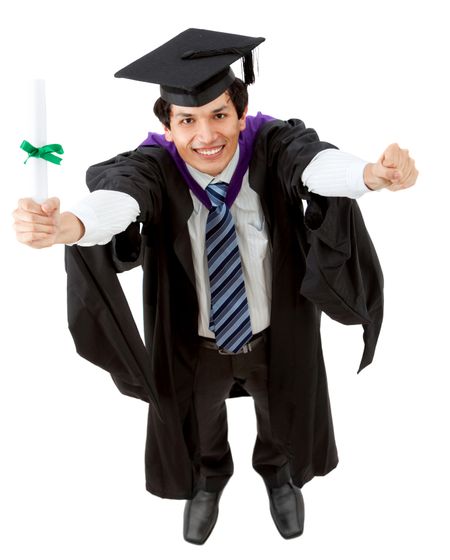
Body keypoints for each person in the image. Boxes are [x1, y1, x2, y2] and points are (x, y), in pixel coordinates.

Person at [13, 29, 418, 545]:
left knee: (283, 415)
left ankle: (277, 475)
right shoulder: (155, 168)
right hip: (195, 344)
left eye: (219, 115)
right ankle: (210, 478)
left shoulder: (271, 148)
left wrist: (369, 174)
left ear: (241, 115)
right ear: (168, 124)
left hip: (274, 334)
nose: (206, 135)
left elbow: (315, 163)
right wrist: (67, 226)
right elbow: (119, 200)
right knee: (199, 423)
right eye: (187, 120)